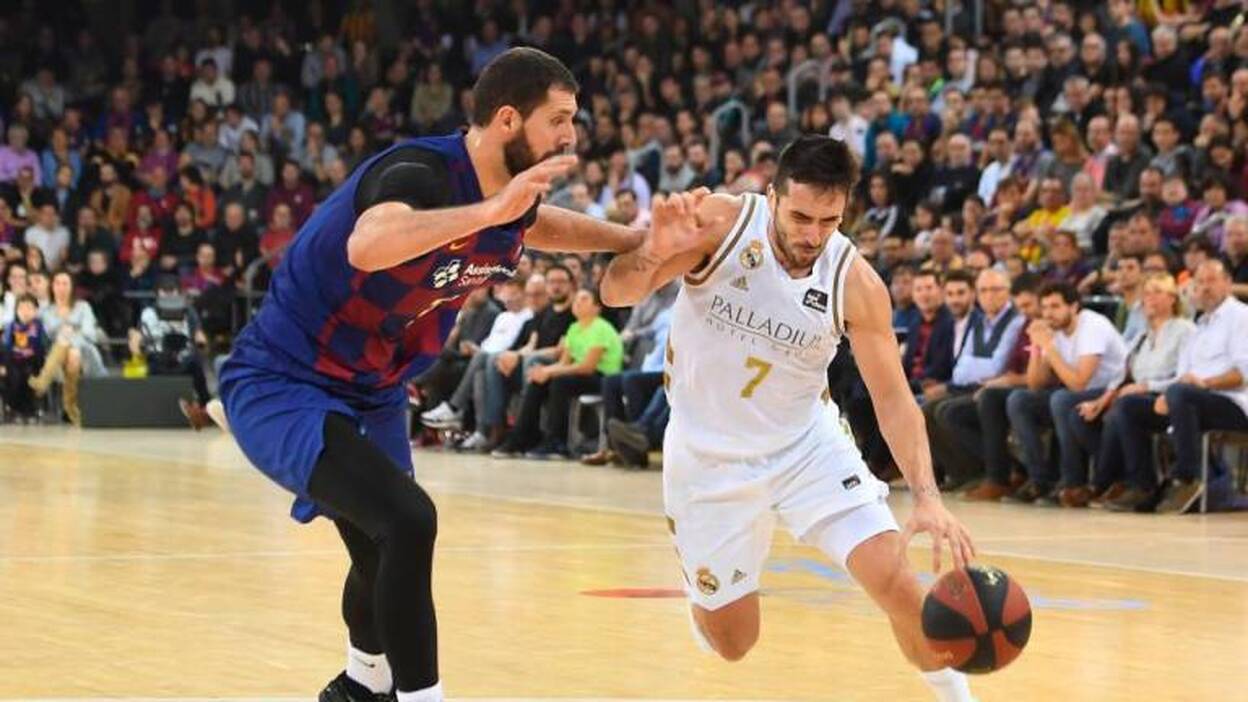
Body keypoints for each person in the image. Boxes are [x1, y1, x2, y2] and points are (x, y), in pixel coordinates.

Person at [217, 48, 647, 702]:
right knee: (409, 522)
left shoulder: (510, 197)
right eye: (559, 119)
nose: (571, 137)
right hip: (286, 379)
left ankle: (360, 686)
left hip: (374, 387)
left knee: (383, 546)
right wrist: (489, 213)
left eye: (574, 120)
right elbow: (369, 243)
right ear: (509, 119)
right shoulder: (420, 171)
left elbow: (539, 227)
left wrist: (630, 240)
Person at [600, 135, 976, 701]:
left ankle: (958, 695)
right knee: (734, 642)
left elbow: (894, 399)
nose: (812, 235)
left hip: (805, 448)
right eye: (800, 217)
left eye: (829, 220)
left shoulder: (855, 281)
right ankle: (706, 599)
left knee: (897, 583)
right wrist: (654, 252)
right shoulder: (721, 224)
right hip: (707, 457)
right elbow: (615, 291)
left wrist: (927, 497)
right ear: (772, 196)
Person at [1114, 260, 1248, 514]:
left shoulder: (1241, 316)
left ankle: (1186, 478)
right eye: (1199, 282)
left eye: (1211, 280)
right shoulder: (1200, 325)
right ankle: (1143, 484)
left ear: (1228, 283)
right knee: (1128, 406)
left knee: (1181, 394)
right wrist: (1168, 394)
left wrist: (1202, 384)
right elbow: (1182, 376)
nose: (1204, 287)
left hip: (1233, 403)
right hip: (1189, 401)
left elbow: (1244, 374)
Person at [1074, 274, 1195, 511]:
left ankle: (1137, 484)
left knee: (1124, 409)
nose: (1150, 298)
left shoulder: (1185, 330)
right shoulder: (1142, 335)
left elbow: (1185, 376)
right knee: (1080, 414)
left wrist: (1147, 386)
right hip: (1135, 395)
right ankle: (1116, 480)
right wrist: (1101, 401)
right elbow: (1122, 375)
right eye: (1147, 293)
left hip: (1168, 397)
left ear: (1172, 298)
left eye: (1157, 292)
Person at [1005, 282, 1128, 505]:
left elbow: (1080, 383)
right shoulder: (1053, 331)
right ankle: (1040, 479)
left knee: (1061, 399)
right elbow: (1035, 384)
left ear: (1073, 307)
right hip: (1079, 391)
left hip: (1111, 389)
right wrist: (1036, 348)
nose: (1048, 314)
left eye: (1055, 306)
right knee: (1019, 400)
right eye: (1044, 307)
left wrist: (1049, 348)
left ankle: (1073, 483)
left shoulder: (1092, 325)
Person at [493, 287, 623, 458]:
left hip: (603, 377)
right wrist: (544, 371)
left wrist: (550, 372)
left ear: (597, 307)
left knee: (559, 382)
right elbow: (564, 363)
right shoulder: (574, 328)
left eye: (584, 299)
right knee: (538, 379)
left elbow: (587, 367)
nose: (577, 303)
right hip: (579, 374)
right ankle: (522, 437)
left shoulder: (602, 328)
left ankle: (557, 442)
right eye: (576, 299)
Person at [29, 271, 107, 426]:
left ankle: (43, 380)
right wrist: (66, 330)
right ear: (52, 286)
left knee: (72, 349)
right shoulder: (46, 311)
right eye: (57, 283)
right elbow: (45, 336)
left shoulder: (82, 307)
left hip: (85, 352)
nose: (61, 288)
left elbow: (90, 334)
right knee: (70, 351)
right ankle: (71, 408)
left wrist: (72, 332)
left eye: (65, 283)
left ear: (71, 287)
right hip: (56, 356)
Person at [1, 294, 47, 420]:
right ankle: (13, 408)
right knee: (14, 377)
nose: (25, 312)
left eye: (29, 308)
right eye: (21, 308)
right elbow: (6, 347)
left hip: (33, 362)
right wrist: (3, 365)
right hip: (13, 362)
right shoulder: (11, 326)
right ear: (16, 311)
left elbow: (42, 347)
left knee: (28, 375)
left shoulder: (38, 327)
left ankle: (29, 409)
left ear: (36, 311)